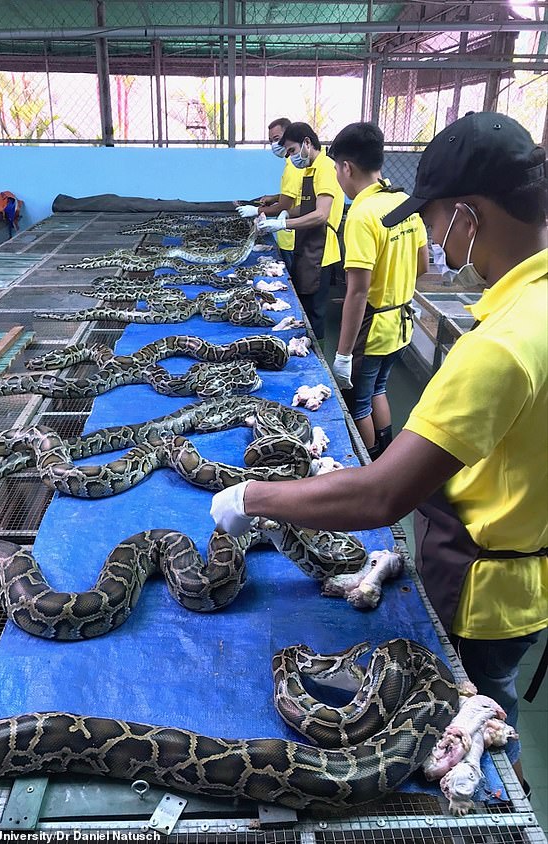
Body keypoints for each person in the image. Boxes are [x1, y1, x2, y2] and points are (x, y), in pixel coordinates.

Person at [211, 112, 547, 788]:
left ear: (468, 215)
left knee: (474, 738)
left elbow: (380, 495)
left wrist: (252, 498)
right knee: (487, 710)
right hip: (530, 574)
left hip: (486, 590)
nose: (428, 237)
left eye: (433, 219)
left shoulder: (503, 343)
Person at [327, 122, 429, 457]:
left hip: (371, 330)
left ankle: (370, 467)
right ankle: (385, 453)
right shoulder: (403, 202)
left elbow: (357, 291)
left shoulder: (361, 214)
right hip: (401, 323)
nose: (339, 180)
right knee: (378, 389)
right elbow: (423, 267)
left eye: (337, 171)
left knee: (358, 404)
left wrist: (342, 354)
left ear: (346, 167)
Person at [256, 121, 345, 343]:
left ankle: (315, 354)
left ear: (307, 142)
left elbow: (321, 214)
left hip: (321, 252)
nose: (291, 157)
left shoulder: (325, 169)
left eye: (293, 150)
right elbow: (307, 207)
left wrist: (283, 224)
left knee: (315, 313)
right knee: (304, 306)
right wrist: (286, 213)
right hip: (307, 246)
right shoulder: (310, 168)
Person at [235, 118, 303, 274]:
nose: (274, 145)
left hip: (291, 237)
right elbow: (294, 194)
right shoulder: (291, 163)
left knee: (292, 278)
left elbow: (285, 206)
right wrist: (274, 198)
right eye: (271, 141)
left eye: (278, 139)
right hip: (288, 234)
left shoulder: (293, 166)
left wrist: (256, 211)